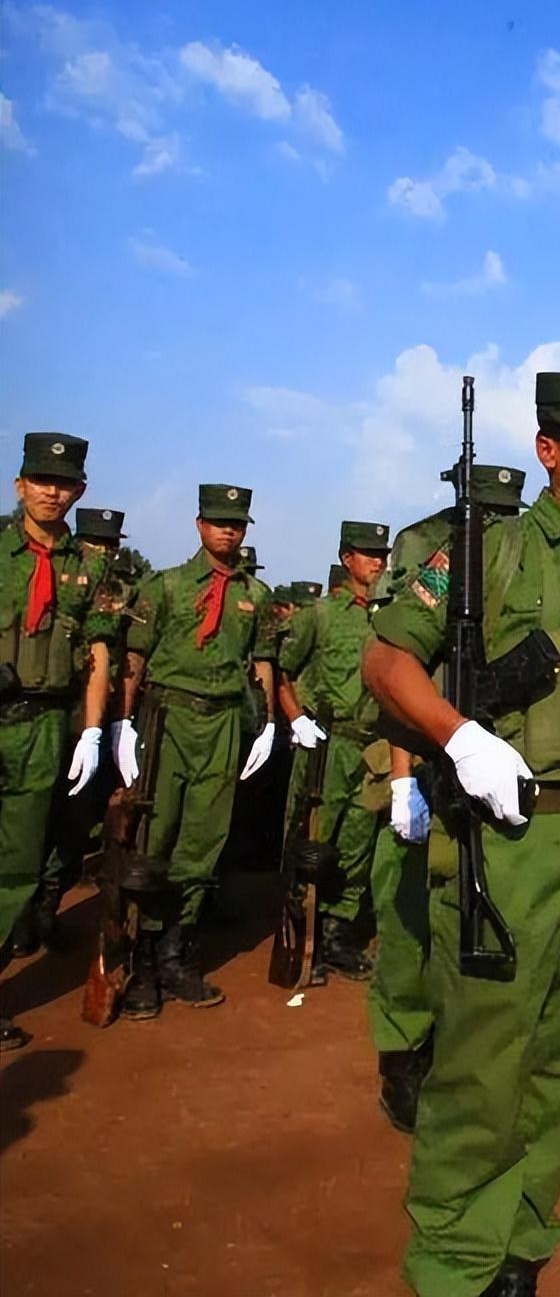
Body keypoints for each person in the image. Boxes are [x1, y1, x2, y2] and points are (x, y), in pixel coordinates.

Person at [363, 374, 560, 1297]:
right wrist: (460, 738)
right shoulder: (486, 550)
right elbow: (385, 657)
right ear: (546, 450)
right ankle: (454, 1267)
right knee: (487, 1065)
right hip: (513, 839)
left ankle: (518, 1251)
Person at [370, 464, 527, 1132]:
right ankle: (403, 1057)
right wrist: (401, 778)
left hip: (496, 756)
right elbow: (392, 665)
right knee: (409, 920)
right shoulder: (423, 549)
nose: (490, 522)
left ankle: (470, 1056)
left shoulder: (520, 554)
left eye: (502, 510)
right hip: (430, 746)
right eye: (483, 509)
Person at [113, 483, 277, 1018]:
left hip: (225, 720)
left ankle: (175, 950)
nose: (229, 529)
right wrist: (121, 726)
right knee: (153, 836)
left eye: (238, 522)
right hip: (167, 718)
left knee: (204, 840)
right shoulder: (165, 587)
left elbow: (262, 664)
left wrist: (269, 722)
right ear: (200, 524)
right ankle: (140, 962)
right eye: (219, 520)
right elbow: (135, 659)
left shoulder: (256, 595)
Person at [1, 434, 116, 1051]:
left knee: (16, 865)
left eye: (64, 482)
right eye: (41, 479)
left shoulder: (91, 567)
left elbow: (98, 651)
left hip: (44, 724)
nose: (52, 490)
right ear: (19, 484)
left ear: (80, 491)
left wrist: (94, 731)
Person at [277, 520, 392, 980]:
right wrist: (295, 719)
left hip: (372, 749)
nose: (378, 562)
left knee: (357, 844)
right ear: (348, 560)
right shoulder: (320, 614)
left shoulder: (388, 616)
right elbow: (283, 668)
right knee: (313, 840)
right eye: (369, 554)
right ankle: (299, 930)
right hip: (328, 744)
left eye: (382, 554)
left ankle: (336, 934)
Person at [23, 507, 132, 954]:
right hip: (47, 722)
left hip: (91, 729)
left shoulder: (122, 594)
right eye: (94, 543)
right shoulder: (60, 579)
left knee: (71, 827)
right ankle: (22, 914)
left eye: (109, 544)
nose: (102, 551)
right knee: (28, 826)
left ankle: (45, 910)